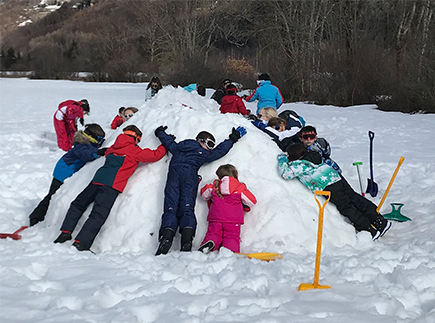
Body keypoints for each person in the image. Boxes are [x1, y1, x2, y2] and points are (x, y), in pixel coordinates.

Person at [54, 125, 167, 251]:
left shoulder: (113, 148)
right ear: (136, 138)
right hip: (111, 185)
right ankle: (81, 243)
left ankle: (65, 232)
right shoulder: (134, 151)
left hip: (96, 180)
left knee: (78, 204)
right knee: (98, 214)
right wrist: (164, 145)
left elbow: (107, 152)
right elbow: (154, 155)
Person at [154, 125, 247, 255]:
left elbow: (168, 142)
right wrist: (232, 139)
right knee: (187, 208)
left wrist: (160, 132)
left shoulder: (177, 148)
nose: (210, 148)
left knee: (170, 207)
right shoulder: (203, 153)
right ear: (200, 140)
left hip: (173, 178)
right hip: (189, 179)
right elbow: (220, 151)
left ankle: (166, 237)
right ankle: (187, 240)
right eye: (209, 144)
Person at [277, 143, 392, 240]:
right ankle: (380, 222)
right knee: (356, 199)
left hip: (328, 186)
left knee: (346, 207)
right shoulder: (314, 157)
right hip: (338, 179)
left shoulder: (301, 164)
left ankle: (368, 230)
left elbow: (286, 174)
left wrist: (282, 160)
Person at [29, 124, 106, 227]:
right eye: (99, 139)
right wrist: (98, 153)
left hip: (66, 169)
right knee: (52, 195)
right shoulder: (82, 145)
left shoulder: (88, 143)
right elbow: (86, 155)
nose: (99, 142)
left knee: (53, 195)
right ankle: (36, 217)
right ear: (92, 136)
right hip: (63, 172)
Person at [198, 164, 257, 254]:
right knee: (231, 236)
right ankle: (229, 250)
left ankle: (210, 242)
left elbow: (204, 195)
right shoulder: (240, 187)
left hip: (215, 218)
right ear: (235, 174)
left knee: (213, 233)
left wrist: (209, 187)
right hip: (233, 220)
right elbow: (252, 202)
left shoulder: (214, 186)